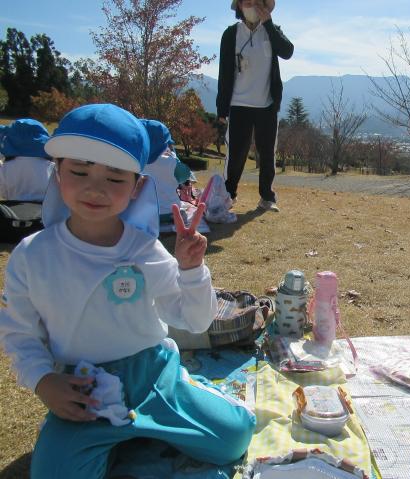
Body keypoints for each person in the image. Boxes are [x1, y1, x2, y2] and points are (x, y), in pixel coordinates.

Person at [0, 104, 256, 478]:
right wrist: (44, 381)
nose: (95, 188)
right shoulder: (32, 256)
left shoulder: (144, 250)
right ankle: (124, 437)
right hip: (83, 389)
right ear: (57, 172)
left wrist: (191, 270)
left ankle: (183, 394)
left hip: (153, 377)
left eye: (115, 177)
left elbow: (196, 320)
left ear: (136, 187)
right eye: (79, 171)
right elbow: (20, 333)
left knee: (234, 437)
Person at [216, 0, 294, 212]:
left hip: (266, 105)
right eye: (247, 2)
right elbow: (224, 73)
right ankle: (228, 195)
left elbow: (287, 51)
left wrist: (269, 24)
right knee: (236, 154)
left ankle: (267, 197)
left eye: (257, 2)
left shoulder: (272, 31)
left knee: (267, 153)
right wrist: (222, 110)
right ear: (239, 6)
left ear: (264, 7)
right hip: (238, 105)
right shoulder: (231, 34)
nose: (252, 6)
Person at [140, 119, 193, 224]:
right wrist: (174, 157)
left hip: (144, 214)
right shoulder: (171, 162)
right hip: (171, 213)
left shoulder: (137, 162)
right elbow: (185, 175)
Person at [0, 118, 54, 201]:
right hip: (46, 207)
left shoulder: (5, 168)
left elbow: (3, 192)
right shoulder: (53, 167)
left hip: (13, 208)